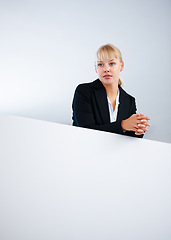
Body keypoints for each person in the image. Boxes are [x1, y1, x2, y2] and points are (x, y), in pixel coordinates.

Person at [72, 43, 150, 137]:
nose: (106, 69)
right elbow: (86, 131)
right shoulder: (84, 92)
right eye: (100, 64)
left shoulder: (129, 101)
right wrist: (122, 125)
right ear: (96, 68)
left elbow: (129, 137)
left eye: (112, 63)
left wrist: (138, 128)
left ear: (121, 66)